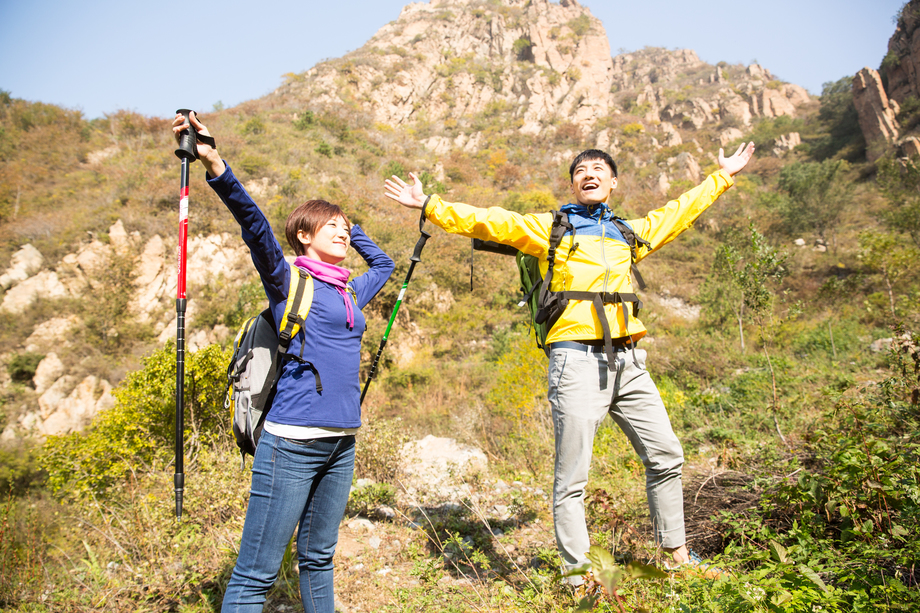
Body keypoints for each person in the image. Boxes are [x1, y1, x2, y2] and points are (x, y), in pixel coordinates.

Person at [383, 142, 755, 581]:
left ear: (614, 183)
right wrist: (429, 204)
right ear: (573, 183)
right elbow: (492, 220)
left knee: (666, 456)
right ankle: (578, 578)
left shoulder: (629, 233)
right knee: (573, 475)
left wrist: (723, 176)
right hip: (575, 359)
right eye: (581, 170)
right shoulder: (550, 229)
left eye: (599, 169)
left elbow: (679, 212)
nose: (590, 174)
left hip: (630, 362)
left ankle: (675, 556)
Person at [172, 112, 394, 612]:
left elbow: (384, 265)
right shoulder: (287, 281)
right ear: (302, 237)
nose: (339, 232)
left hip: (341, 443)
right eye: (329, 227)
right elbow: (253, 223)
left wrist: (353, 229)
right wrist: (213, 161)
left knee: (318, 558)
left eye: (343, 226)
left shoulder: (351, 293)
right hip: (290, 443)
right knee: (256, 575)